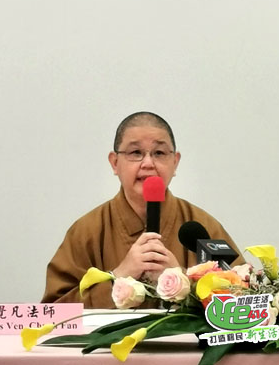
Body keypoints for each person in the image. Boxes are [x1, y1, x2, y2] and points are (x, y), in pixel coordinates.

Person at [42, 111, 243, 306]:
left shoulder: (202, 226)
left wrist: (183, 282)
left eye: (159, 153)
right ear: (114, 163)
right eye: (135, 152)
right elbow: (52, 312)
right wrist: (118, 276)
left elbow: (244, 299)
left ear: (175, 162)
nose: (148, 163)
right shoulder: (87, 231)